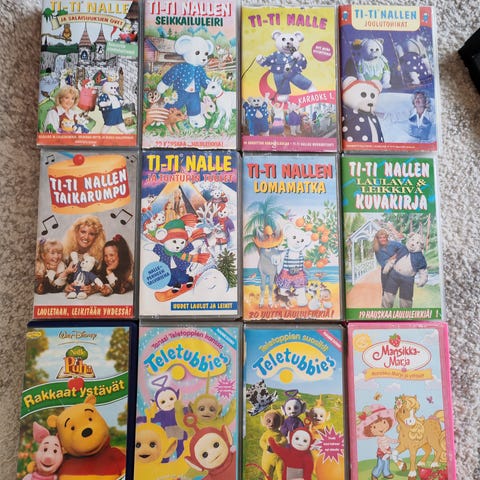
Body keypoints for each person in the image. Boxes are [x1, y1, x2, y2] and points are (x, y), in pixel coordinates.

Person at [63, 215, 106, 296]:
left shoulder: (100, 257)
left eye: (91, 234)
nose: (86, 237)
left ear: (96, 237)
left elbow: (104, 280)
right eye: (83, 232)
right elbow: (59, 277)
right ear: (76, 232)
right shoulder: (66, 254)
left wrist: (94, 288)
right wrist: (66, 287)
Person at [357, 404, 398, 480]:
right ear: (369, 431)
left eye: (384, 422)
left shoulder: (385, 437)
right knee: (380, 464)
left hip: (387, 452)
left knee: (386, 463)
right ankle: (375, 474)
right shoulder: (379, 439)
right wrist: (385, 451)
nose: (381, 427)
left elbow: (390, 440)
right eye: (375, 427)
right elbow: (381, 446)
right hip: (382, 453)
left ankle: (386, 473)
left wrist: (397, 440)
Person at [373, 229, 407, 308]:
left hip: (397, 269)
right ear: (378, 239)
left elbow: (404, 249)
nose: (382, 239)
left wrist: (396, 257)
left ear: (387, 237)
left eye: (384, 237)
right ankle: (385, 309)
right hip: (386, 272)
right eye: (380, 238)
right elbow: (383, 263)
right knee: (386, 291)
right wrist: (394, 256)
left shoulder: (393, 244)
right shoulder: (377, 249)